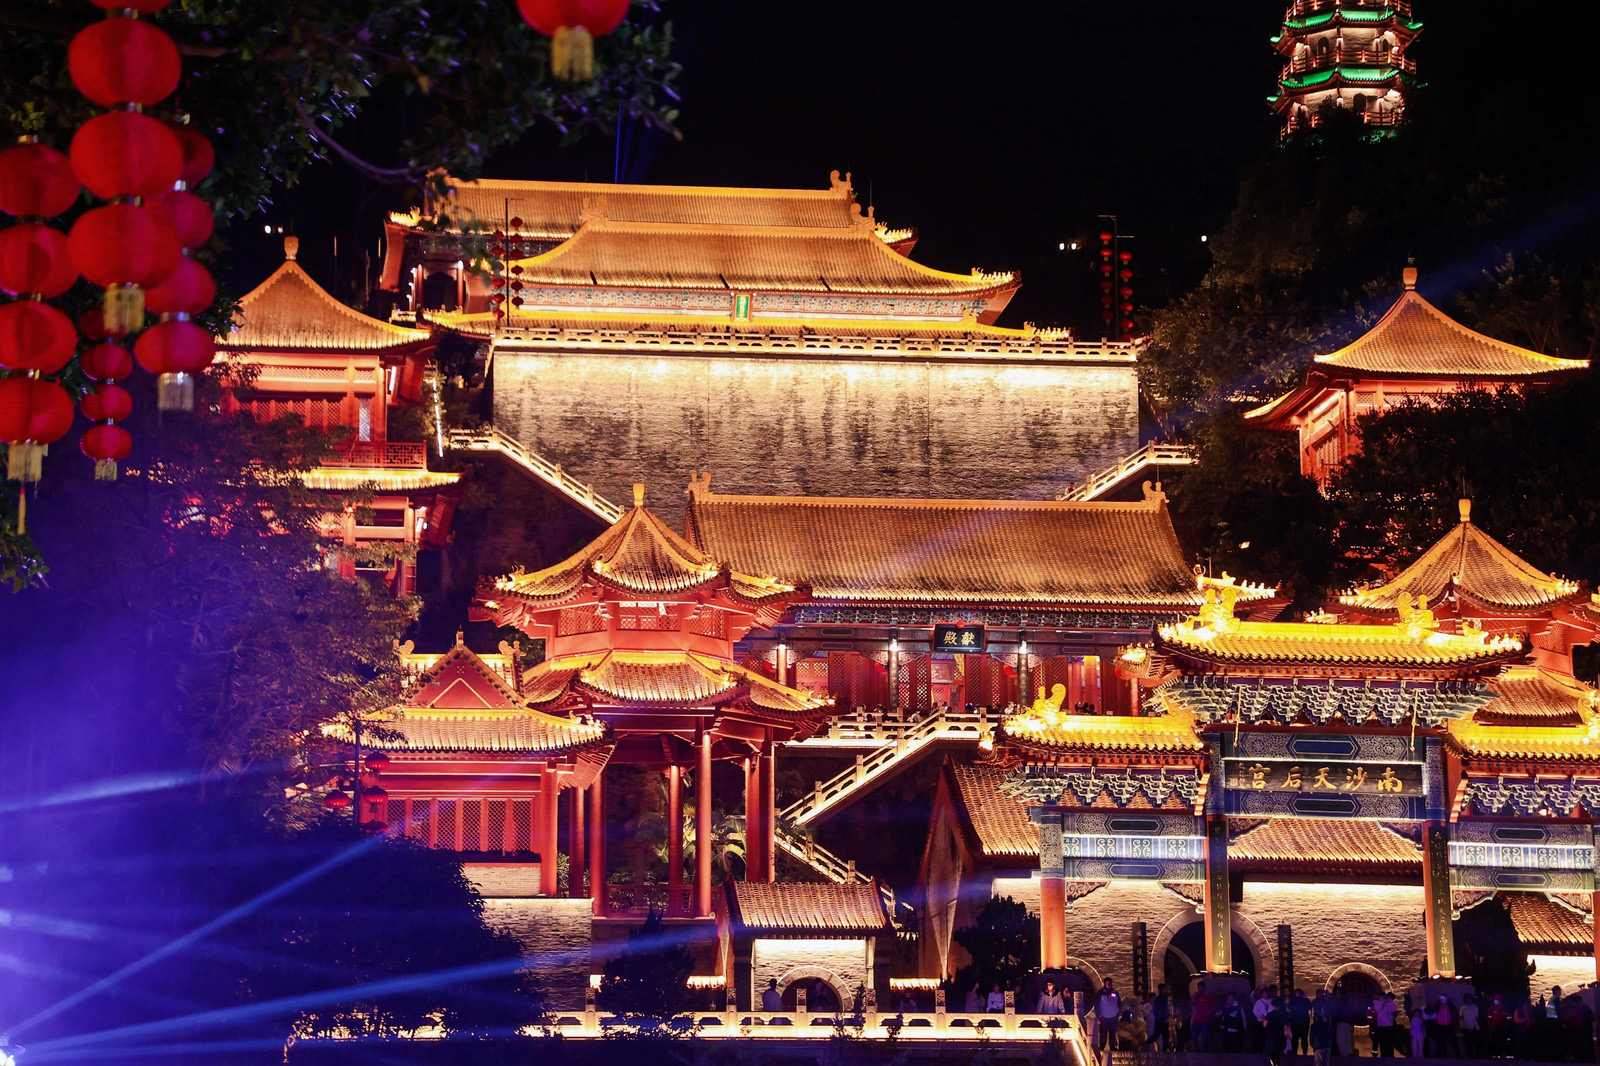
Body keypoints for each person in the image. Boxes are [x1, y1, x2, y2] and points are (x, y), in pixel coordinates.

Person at [1096, 978, 1122, 1061]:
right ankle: (1102, 1047)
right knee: (1103, 1032)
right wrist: (1099, 1015)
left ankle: (1113, 1046)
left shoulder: (1114, 992)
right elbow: (1097, 1005)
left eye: (1110, 983)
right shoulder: (1100, 993)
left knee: (1112, 1032)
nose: (1109, 985)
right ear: (1105, 984)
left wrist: (1118, 1013)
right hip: (1104, 1017)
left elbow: (1119, 1003)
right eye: (1108, 983)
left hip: (1114, 1016)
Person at [1266, 996, 1293, 1066]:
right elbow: (1285, 1025)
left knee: (1271, 1052)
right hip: (1280, 1036)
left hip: (1272, 1036)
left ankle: (1274, 1063)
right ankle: (1277, 1063)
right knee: (1278, 1052)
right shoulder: (1283, 1014)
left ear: (1272, 1006)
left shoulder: (1270, 1014)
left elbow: (1265, 1024)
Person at [1191, 980, 1217, 1053]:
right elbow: (1190, 1004)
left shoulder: (1209, 997)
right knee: (1193, 1035)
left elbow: (1214, 1007)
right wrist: (1195, 996)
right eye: (1199, 988)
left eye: (1201, 988)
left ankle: (1206, 1052)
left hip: (1206, 1021)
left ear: (1204, 988)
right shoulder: (1195, 996)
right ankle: (1198, 1050)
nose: (1200, 990)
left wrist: (1209, 1011)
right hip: (1196, 1020)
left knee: (1206, 1037)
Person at [1373, 991, 1398, 1058]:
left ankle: (1390, 1055)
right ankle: (1383, 1055)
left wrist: (1389, 1002)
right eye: (1382, 997)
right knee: (1382, 1042)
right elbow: (1378, 1009)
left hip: (1389, 1025)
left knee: (1389, 1041)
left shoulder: (1390, 1003)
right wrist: (1382, 1002)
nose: (1383, 998)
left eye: (1384, 997)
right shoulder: (1377, 1003)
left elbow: (1393, 1009)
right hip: (1381, 1025)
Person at [1290, 988, 1312, 1055]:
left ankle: (1305, 1053)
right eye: (1297, 993)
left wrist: (1306, 998)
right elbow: (1291, 1008)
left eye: (1299, 993)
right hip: (1295, 1023)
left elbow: (1310, 1007)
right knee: (1295, 1038)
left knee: (1304, 1038)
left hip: (1304, 1023)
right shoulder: (1293, 1000)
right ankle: (1295, 1052)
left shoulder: (1305, 1000)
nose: (1298, 995)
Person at [1460, 993, 1480, 1059]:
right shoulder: (1462, 1008)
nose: (1468, 999)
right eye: (1467, 998)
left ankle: (1478, 1056)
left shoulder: (1475, 1007)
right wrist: (1462, 1026)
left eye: (1470, 998)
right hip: (1465, 1028)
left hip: (1474, 1027)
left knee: (1476, 1042)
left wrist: (1472, 1025)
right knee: (1468, 1043)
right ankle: (1470, 1056)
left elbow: (1476, 1017)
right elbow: (1461, 1018)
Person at [1151, 983, 1171, 1051]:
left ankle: (1164, 1051)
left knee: (1163, 1036)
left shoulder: (1163, 998)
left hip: (1162, 1020)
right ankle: (1146, 1044)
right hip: (1161, 1020)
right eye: (1165, 989)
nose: (1166, 990)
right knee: (1157, 1035)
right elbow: (1158, 1010)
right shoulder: (1160, 999)